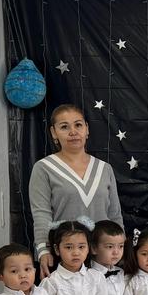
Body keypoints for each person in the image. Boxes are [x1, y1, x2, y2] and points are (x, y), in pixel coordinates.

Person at [29, 104, 123, 278]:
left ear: (87, 128)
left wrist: (119, 247)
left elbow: (115, 215)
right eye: (64, 127)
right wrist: (44, 250)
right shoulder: (44, 168)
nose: (73, 132)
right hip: (67, 257)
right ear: (54, 132)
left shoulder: (104, 168)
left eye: (78, 125)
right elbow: (41, 214)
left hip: (102, 256)